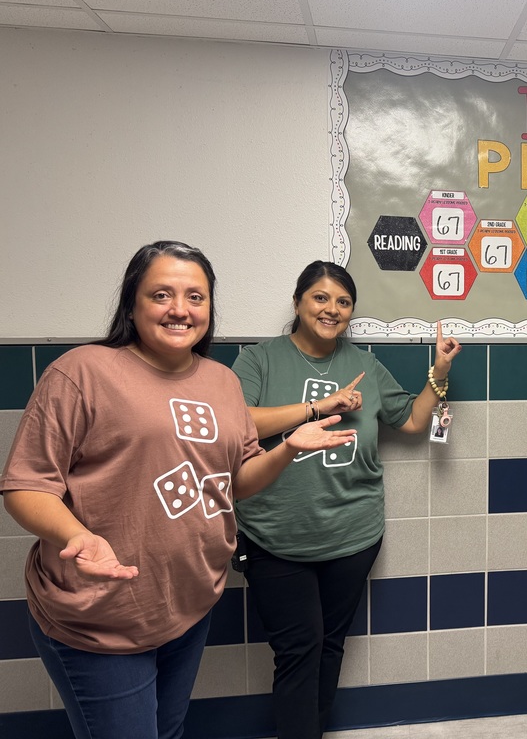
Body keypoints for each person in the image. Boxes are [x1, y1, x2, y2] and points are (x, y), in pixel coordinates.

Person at [0, 241, 355, 739]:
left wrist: (287, 450)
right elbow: (25, 485)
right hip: (103, 610)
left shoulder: (221, 382)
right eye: (161, 294)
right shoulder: (82, 372)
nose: (180, 309)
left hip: (188, 604)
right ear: (131, 305)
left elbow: (236, 481)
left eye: (196, 296)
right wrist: (76, 534)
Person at [230, 260, 461, 739]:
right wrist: (318, 407)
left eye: (343, 301)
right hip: (275, 538)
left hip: (353, 536)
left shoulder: (364, 364)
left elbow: (412, 422)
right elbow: (239, 422)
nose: (331, 309)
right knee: (299, 650)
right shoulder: (259, 359)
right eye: (320, 297)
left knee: (330, 644)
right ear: (297, 302)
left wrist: (440, 371)